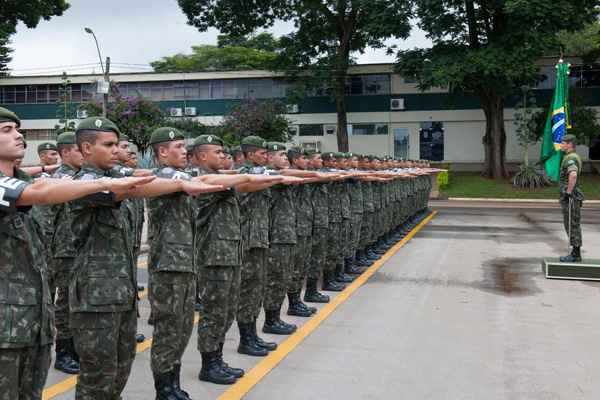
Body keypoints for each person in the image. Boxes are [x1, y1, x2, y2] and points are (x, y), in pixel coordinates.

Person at [0, 107, 155, 400]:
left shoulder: (30, 181)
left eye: (17, 129)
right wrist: (104, 182)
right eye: (7, 130)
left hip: (32, 321)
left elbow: (41, 186)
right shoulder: (27, 188)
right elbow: (39, 194)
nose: (18, 135)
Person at [68, 117, 221, 399]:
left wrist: (182, 181)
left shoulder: (118, 177)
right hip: (95, 296)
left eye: (117, 144)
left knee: (121, 364)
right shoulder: (85, 183)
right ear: (86, 148)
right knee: (97, 373)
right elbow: (135, 187)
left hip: (122, 291)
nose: (117, 150)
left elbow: (138, 181)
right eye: (109, 144)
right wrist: (180, 185)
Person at [189, 134, 275, 384]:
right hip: (214, 256)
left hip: (230, 253)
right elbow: (243, 182)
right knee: (214, 312)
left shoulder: (224, 178)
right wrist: (265, 176)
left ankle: (217, 358)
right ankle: (209, 364)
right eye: (218, 152)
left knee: (225, 311)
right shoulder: (201, 180)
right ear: (203, 156)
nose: (224, 156)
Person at [236, 135, 285, 357]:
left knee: (256, 288)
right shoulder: (243, 175)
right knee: (248, 289)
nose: (265, 156)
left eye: (267, 153)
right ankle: (246, 339)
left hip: (260, 238)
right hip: (248, 241)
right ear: (249, 154)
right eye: (262, 152)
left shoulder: (262, 174)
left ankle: (252, 335)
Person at [49, 131, 85, 374]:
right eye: (77, 150)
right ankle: (63, 352)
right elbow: (46, 220)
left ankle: (73, 348)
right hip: (63, 253)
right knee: (65, 303)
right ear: (65, 153)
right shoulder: (59, 180)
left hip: (76, 250)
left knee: (75, 301)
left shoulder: (78, 178)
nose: (83, 154)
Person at [559, 134, 584, 262]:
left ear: (569, 144)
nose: (561, 144)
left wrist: (568, 192)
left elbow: (573, 175)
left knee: (572, 224)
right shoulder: (570, 157)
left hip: (571, 197)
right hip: (572, 197)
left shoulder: (571, 158)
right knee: (572, 224)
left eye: (563, 142)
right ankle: (575, 252)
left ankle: (575, 254)